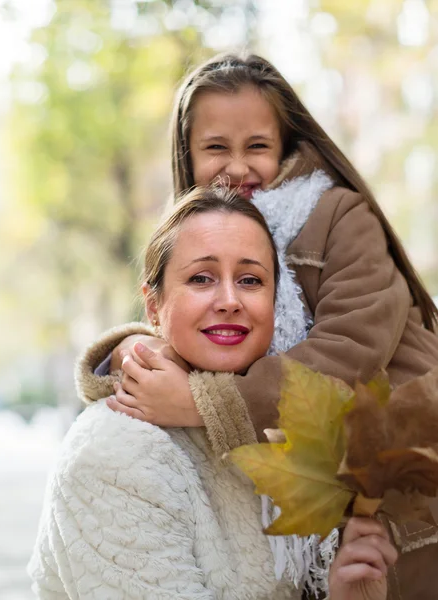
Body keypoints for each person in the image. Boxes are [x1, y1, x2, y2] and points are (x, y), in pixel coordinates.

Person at [75, 53, 438, 598]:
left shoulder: (337, 215)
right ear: (187, 155)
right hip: (315, 496)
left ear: (286, 145)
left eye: (258, 147)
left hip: (398, 494)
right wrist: (133, 353)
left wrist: (206, 404)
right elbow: (191, 323)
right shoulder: (209, 232)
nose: (238, 167)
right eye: (217, 148)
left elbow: (351, 350)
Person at [28, 187, 397, 600]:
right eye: (201, 278)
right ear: (152, 306)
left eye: (250, 280)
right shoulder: (114, 455)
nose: (229, 300)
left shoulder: (282, 438)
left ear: (275, 304)